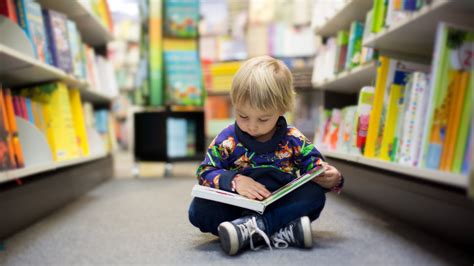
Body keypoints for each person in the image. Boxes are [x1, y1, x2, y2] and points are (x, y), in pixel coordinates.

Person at [188, 56, 344, 256]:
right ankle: (280, 231)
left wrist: (332, 178)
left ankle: (249, 230)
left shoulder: (293, 138)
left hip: (279, 205)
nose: (252, 126)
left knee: (313, 195)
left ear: (282, 109)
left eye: (263, 119)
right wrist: (234, 180)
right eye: (243, 116)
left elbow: (315, 167)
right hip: (237, 205)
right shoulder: (226, 139)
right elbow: (205, 171)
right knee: (198, 209)